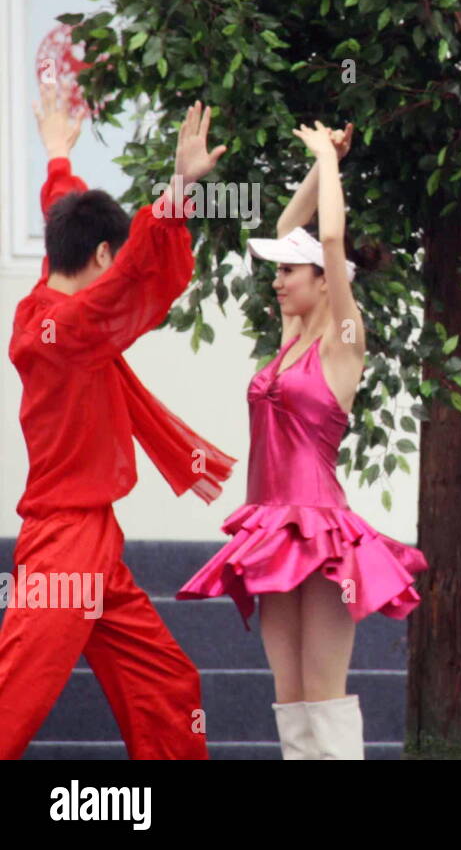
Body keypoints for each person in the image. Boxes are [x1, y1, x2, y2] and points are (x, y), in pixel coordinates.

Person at [177, 121, 428, 760]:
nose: (278, 280)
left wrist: (328, 160)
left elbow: (331, 235)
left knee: (323, 692)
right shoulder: (288, 338)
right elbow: (295, 223)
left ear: (324, 281)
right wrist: (323, 167)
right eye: (279, 271)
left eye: (291, 271)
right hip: (271, 524)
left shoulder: (342, 342)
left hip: (319, 529)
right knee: (288, 697)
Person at [0, 90, 235, 760]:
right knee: (14, 700)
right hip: (64, 543)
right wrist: (180, 190)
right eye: (115, 254)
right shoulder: (67, 327)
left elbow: (67, 218)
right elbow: (133, 273)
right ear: (102, 256)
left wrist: (58, 153)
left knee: (165, 684)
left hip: (92, 537)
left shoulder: (50, 295)